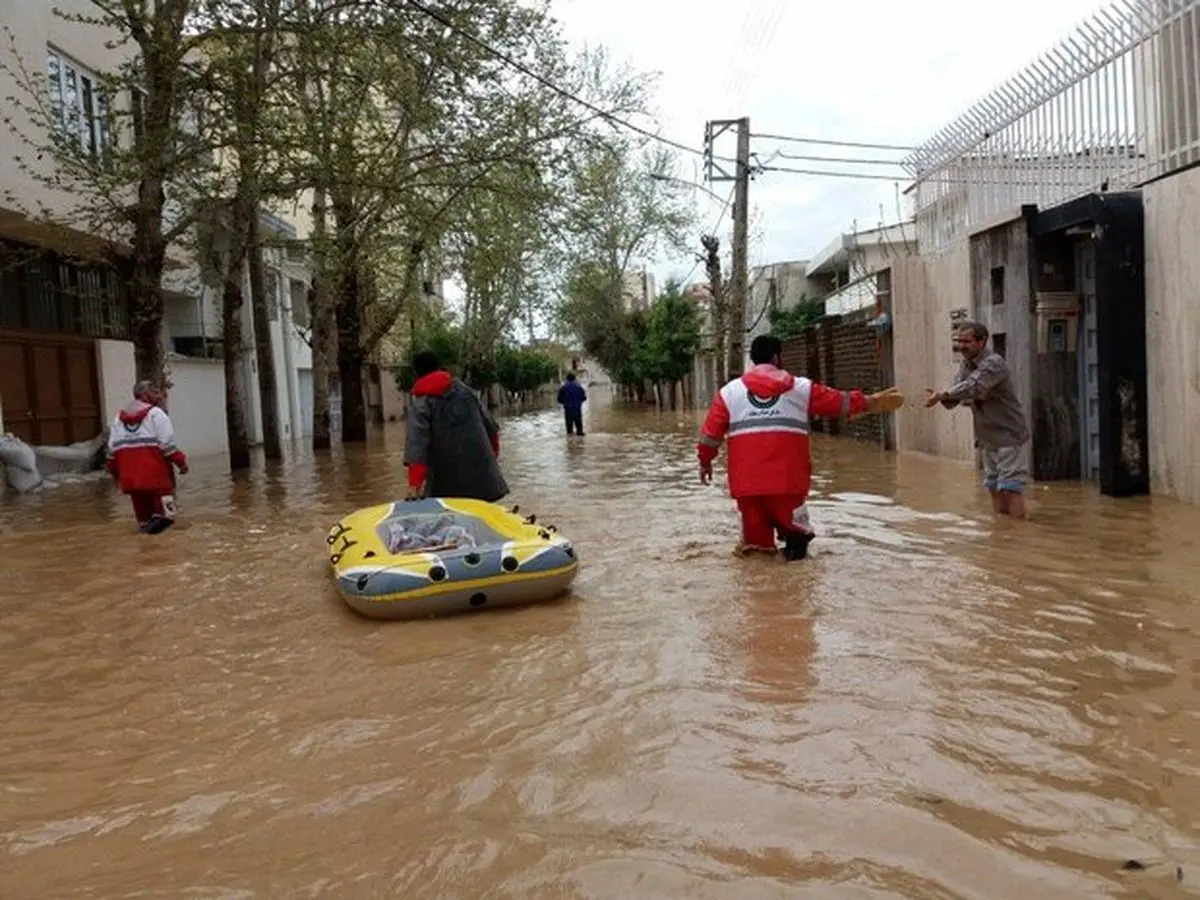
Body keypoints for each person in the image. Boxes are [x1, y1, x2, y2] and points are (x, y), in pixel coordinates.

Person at [697, 334, 898, 561]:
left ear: (753, 360)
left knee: (755, 553)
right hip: (788, 483)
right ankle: (793, 585)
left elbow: (709, 436)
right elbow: (838, 401)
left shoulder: (728, 393)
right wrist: (868, 402)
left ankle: (760, 591)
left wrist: (705, 462)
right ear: (776, 358)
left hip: (747, 487)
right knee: (797, 540)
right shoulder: (801, 389)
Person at [924, 320, 1030, 518]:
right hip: (987, 436)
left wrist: (944, 395)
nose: (961, 346)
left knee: (1010, 487)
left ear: (982, 342)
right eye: (959, 341)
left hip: (1009, 434)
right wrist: (942, 397)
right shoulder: (966, 365)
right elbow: (957, 393)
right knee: (992, 484)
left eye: (967, 341)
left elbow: (973, 386)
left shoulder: (993, 364)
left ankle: (1018, 536)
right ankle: (1002, 530)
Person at [404, 350, 509, 502]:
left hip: (446, 487)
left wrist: (413, 488)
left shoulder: (421, 405)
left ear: (417, 373)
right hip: (485, 480)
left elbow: (417, 450)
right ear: (439, 367)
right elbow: (491, 428)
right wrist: (491, 460)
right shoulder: (466, 392)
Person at [106, 379, 188, 534]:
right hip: (157, 480)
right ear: (145, 395)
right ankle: (163, 554)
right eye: (155, 392)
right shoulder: (157, 415)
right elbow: (167, 446)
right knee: (167, 521)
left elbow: (112, 452)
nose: (160, 396)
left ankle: (145, 553)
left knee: (144, 524)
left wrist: (115, 475)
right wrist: (182, 463)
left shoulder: (118, 418)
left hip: (132, 482)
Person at [556, 371, 587, 436]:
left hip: (568, 409)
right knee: (579, 431)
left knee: (569, 432)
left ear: (567, 379)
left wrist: (566, 403)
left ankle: (570, 445)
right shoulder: (579, 387)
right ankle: (580, 444)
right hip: (577, 409)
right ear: (574, 379)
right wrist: (578, 402)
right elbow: (584, 398)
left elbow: (559, 399)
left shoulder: (563, 387)